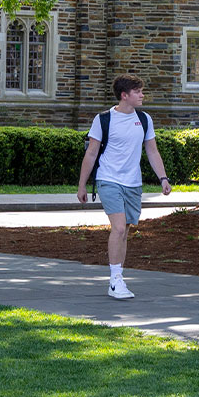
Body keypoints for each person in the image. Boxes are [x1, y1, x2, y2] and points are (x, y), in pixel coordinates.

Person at [76, 75, 173, 300]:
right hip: (108, 179)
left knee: (126, 230)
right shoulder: (103, 120)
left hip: (133, 183)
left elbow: (152, 151)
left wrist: (163, 178)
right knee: (118, 228)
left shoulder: (145, 119)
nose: (142, 95)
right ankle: (115, 280)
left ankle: (118, 276)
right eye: (138, 91)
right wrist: (82, 184)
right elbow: (91, 153)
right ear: (124, 95)